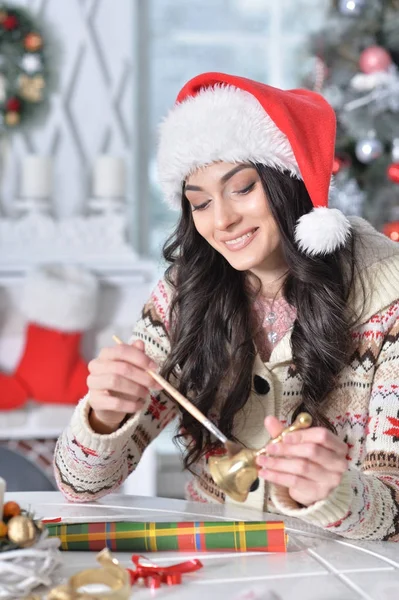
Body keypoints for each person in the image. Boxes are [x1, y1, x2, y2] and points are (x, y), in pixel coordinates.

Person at [54, 72, 399, 541]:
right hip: (217, 563)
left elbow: (394, 511)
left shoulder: (387, 296)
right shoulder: (187, 292)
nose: (221, 221)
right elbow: (78, 485)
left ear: (288, 179)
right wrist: (103, 416)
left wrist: (334, 491)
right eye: (199, 203)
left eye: (242, 188)